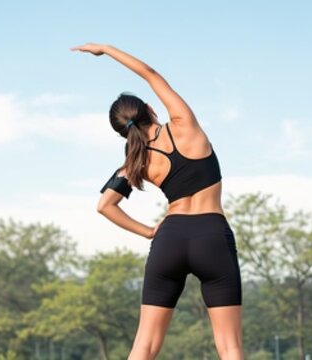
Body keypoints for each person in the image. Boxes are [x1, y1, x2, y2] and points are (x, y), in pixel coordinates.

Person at [72, 43, 243, 360]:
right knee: (229, 347)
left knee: (145, 346)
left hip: (170, 240)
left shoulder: (136, 162)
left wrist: (149, 232)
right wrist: (106, 50)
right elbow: (149, 74)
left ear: (123, 134)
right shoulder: (183, 124)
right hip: (212, 236)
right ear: (149, 109)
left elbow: (105, 205)